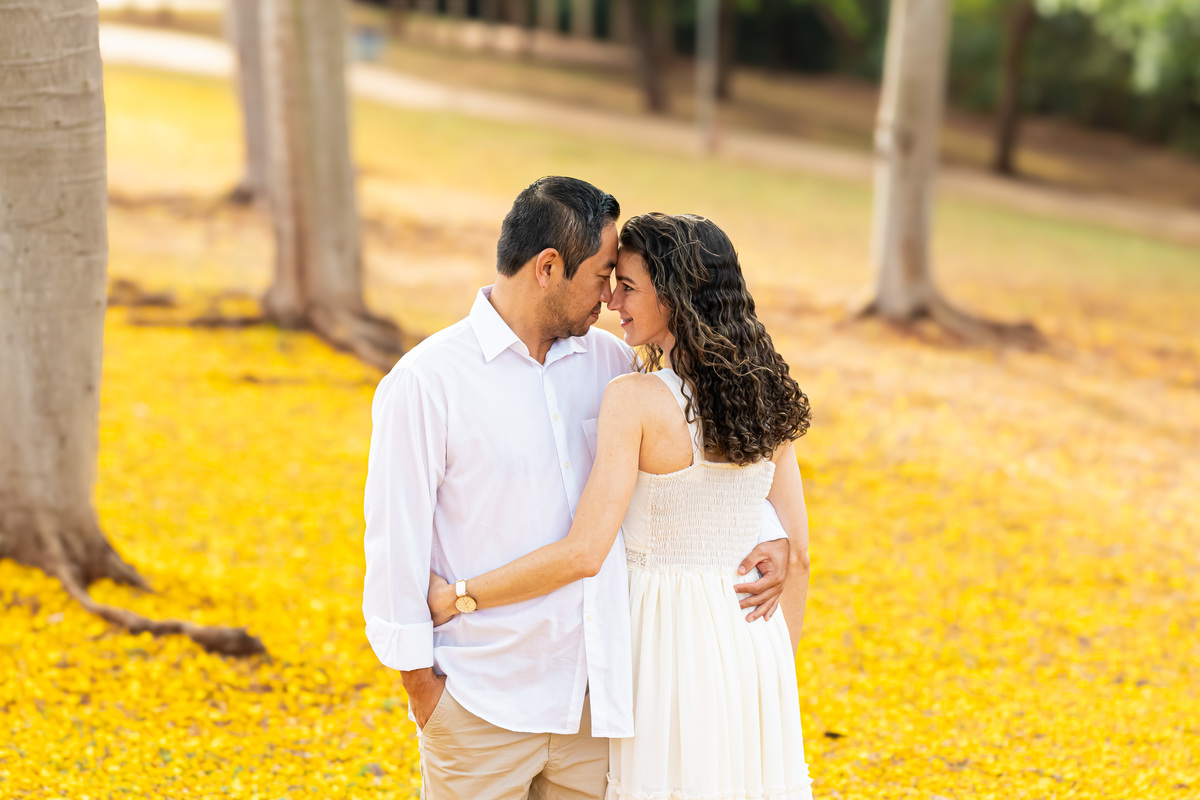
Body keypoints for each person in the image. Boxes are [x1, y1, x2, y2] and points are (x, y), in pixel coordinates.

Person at [363, 178, 794, 800]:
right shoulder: (427, 382)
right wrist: (424, 692)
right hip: (481, 701)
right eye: (601, 277)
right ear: (547, 268)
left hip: (598, 708)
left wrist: (768, 532)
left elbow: (690, 461)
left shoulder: (614, 364)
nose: (611, 297)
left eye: (621, 282)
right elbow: (394, 544)